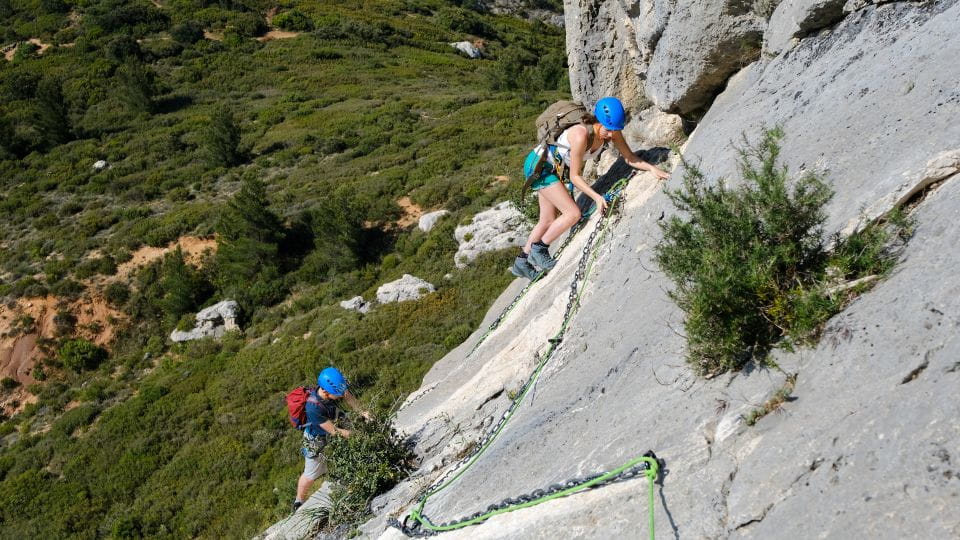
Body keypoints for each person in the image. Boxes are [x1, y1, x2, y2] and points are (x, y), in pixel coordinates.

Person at [511, 97, 671, 280]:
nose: (611, 135)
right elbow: (575, 177)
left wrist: (652, 168)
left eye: (615, 130)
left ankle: (521, 262)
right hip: (539, 167)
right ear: (598, 121)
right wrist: (596, 197)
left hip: (551, 167)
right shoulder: (580, 135)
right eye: (608, 130)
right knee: (572, 214)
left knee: (547, 220)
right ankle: (539, 249)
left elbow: (629, 157)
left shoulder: (612, 130)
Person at [293, 366, 372, 513]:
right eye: (338, 393)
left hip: (333, 418)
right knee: (312, 474)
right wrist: (361, 435)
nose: (341, 394)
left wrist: (363, 412)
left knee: (354, 429)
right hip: (315, 439)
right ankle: (299, 501)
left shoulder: (331, 389)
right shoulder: (313, 408)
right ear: (326, 392)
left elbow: (347, 395)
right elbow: (335, 432)